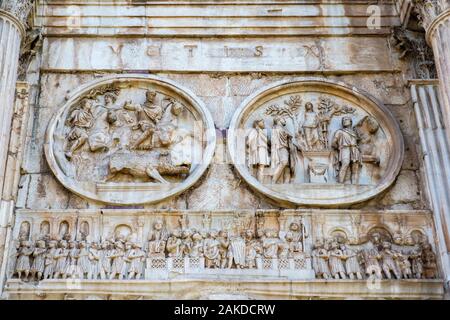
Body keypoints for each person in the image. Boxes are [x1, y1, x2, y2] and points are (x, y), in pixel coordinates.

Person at [331, 116, 361, 184]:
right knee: (345, 164)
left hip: (354, 149)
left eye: (346, 119)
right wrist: (339, 147)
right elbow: (333, 143)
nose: (344, 121)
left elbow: (359, 140)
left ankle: (355, 185)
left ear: (350, 122)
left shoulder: (354, 132)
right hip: (345, 148)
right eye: (343, 120)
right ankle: (340, 183)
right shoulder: (339, 132)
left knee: (355, 167)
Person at [271, 117, 293, 184]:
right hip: (281, 147)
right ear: (279, 120)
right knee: (284, 162)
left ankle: (286, 183)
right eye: (283, 119)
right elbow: (289, 134)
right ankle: (273, 180)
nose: (285, 120)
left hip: (285, 148)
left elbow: (290, 135)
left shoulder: (280, 129)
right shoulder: (277, 128)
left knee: (287, 167)